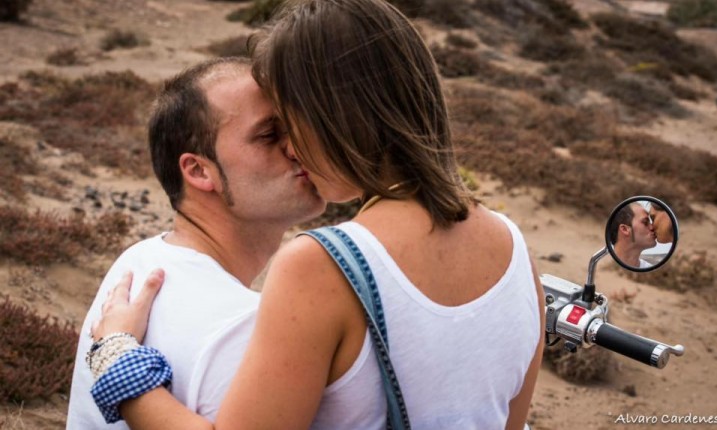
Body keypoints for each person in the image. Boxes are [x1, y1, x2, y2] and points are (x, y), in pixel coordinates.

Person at [89, 1, 545, 429]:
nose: (292, 148)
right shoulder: (514, 247)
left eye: (290, 120)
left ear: (333, 115)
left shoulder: (322, 266)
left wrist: (115, 358)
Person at [66, 56, 325, 429]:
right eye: (269, 135)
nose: (298, 148)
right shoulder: (241, 326)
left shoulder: (140, 260)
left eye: (297, 127)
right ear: (200, 171)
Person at [608, 202, 657, 268]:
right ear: (625, 229)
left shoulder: (649, 269)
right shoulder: (601, 267)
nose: (652, 227)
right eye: (645, 222)